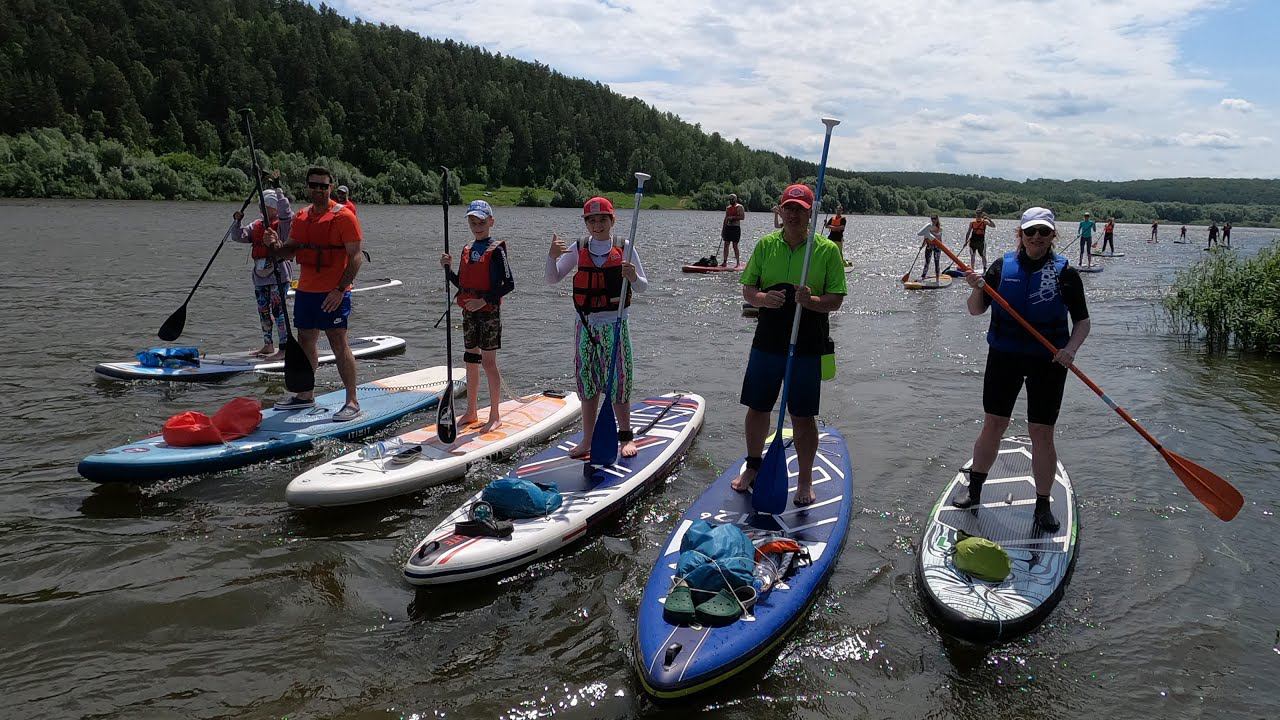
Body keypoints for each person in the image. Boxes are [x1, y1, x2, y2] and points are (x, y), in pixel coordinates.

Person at [955, 206, 1091, 533]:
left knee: (1041, 433)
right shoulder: (1001, 267)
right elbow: (975, 311)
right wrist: (977, 287)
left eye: (1044, 232)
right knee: (993, 424)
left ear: (1052, 235)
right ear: (1020, 234)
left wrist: (1070, 350)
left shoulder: (1065, 273)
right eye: (1030, 231)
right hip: (1004, 356)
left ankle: (1042, 505)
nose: (1036, 238)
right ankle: (974, 491)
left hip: (1048, 360)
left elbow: (1082, 322)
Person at [732, 183, 847, 506]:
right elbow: (748, 291)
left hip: (808, 340)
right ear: (780, 210)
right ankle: (753, 465)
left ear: (810, 213)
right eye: (789, 208)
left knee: (802, 414)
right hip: (769, 337)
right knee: (757, 407)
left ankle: (805, 480)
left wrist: (810, 300)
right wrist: (763, 298)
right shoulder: (766, 246)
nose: (794, 214)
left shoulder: (826, 250)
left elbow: (835, 300)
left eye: (800, 209)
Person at [545, 196, 649, 460]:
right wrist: (551, 256)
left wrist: (633, 276)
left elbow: (643, 286)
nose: (598, 225)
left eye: (603, 219)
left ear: (612, 221)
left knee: (619, 383)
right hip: (586, 327)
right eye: (592, 220)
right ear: (587, 223)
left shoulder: (625, 247)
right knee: (587, 385)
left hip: (615, 325)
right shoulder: (578, 247)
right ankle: (588, 440)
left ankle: (625, 436)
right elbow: (552, 278)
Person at [265, 166, 364, 421]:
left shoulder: (344, 217)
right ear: (307, 186)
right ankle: (304, 395)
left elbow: (355, 258)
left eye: (323, 186)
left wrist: (340, 290)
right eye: (314, 185)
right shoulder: (301, 217)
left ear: (330, 187)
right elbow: (288, 252)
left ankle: (352, 401)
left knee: (338, 343)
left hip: (334, 292)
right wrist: (274, 245)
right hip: (306, 291)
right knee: (305, 340)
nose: (318, 190)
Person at [440, 200, 515, 432]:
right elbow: (462, 284)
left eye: (481, 222)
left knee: (488, 363)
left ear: (490, 222)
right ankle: (471, 411)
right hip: (469, 314)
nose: (477, 226)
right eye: (473, 222)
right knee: (470, 361)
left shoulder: (497, 250)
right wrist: (447, 269)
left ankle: (495, 415)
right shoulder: (467, 249)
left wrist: (483, 301)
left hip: (488, 312)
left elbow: (509, 284)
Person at [232, 184, 294, 359]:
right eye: (261, 206)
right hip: (260, 277)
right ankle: (268, 345)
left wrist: (280, 192)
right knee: (263, 311)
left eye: (265, 206)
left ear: (274, 207)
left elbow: (287, 213)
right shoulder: (256, 226)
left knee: (278, 311)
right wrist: (237, 222)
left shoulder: (283, 224)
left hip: (278, 275)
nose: (262, 209)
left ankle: (284, 347)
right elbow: (237, 236)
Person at [721, 193, 746, 267]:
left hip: (736, 228)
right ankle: (724, 262)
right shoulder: (728, 208)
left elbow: (742, 217)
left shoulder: (740, 207)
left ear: (735, 199)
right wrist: (723, 230)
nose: (731, 201)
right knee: (726, 244)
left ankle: (738, 263)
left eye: (732, 199)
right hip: (728, 228)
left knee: (735, 245)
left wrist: (732, 218)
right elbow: (725, 219)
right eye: (730, 200)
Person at [917, 215, 943, 282]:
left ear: (937, 219)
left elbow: (940, 239)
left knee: (936, 263)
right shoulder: (928, 228)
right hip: (929, 246)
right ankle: (923, 277)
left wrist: (942, 247)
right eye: (932, 219)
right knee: (927, 262)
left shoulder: (940, 229)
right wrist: (922, 246)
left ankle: (937, 279)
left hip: (937, 247)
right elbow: (926, 238)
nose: (933, 220)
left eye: (934, 219)